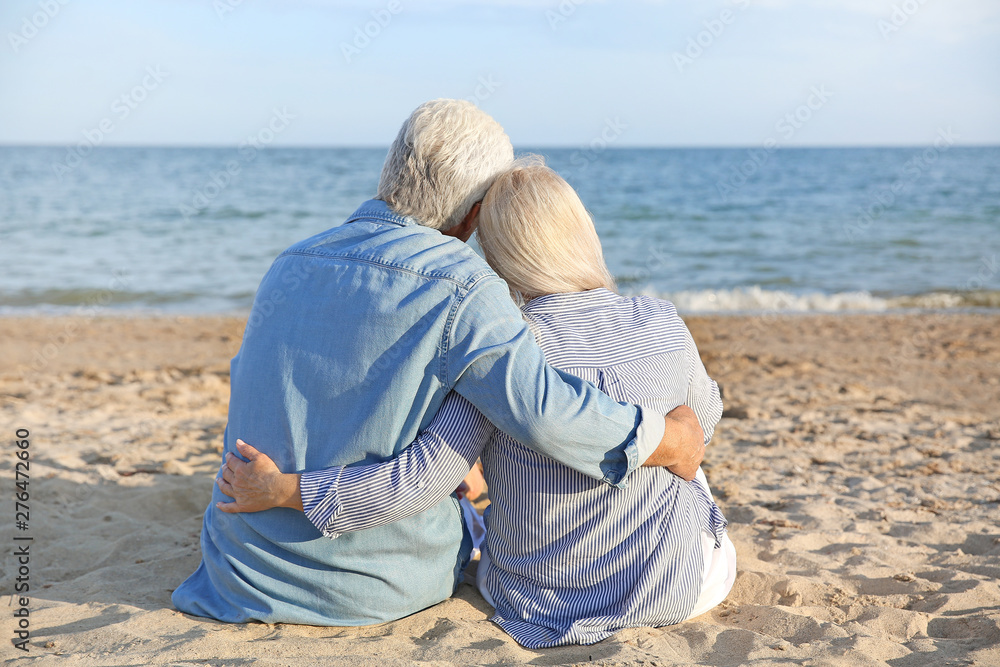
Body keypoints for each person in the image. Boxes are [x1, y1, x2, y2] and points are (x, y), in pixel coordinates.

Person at [171, 100, 706, 626]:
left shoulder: (290, 261)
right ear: (476, 213)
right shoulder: (464, 285)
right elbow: (545, 411)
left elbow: (258, 387)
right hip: (369, 587)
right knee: (466, 495)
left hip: (235, 572)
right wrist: (670, 439)